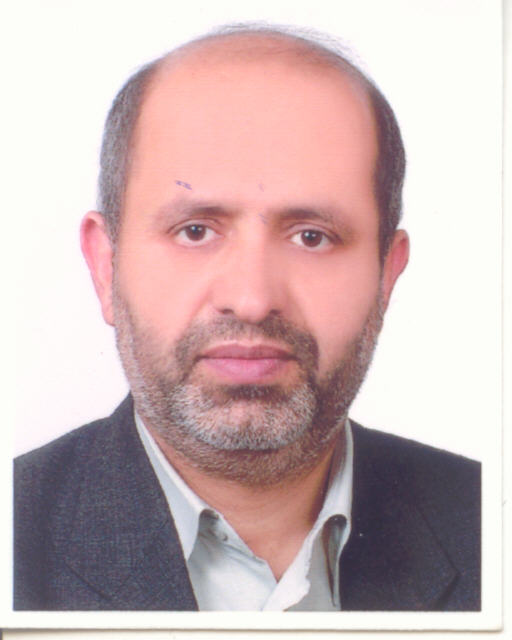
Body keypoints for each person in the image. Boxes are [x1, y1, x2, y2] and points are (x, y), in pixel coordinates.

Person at [14, 25, 480, 612]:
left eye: (312, 236)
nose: (253, 299)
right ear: (106, 267)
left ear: (386, 274)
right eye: (195, 231)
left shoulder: (490, 526)